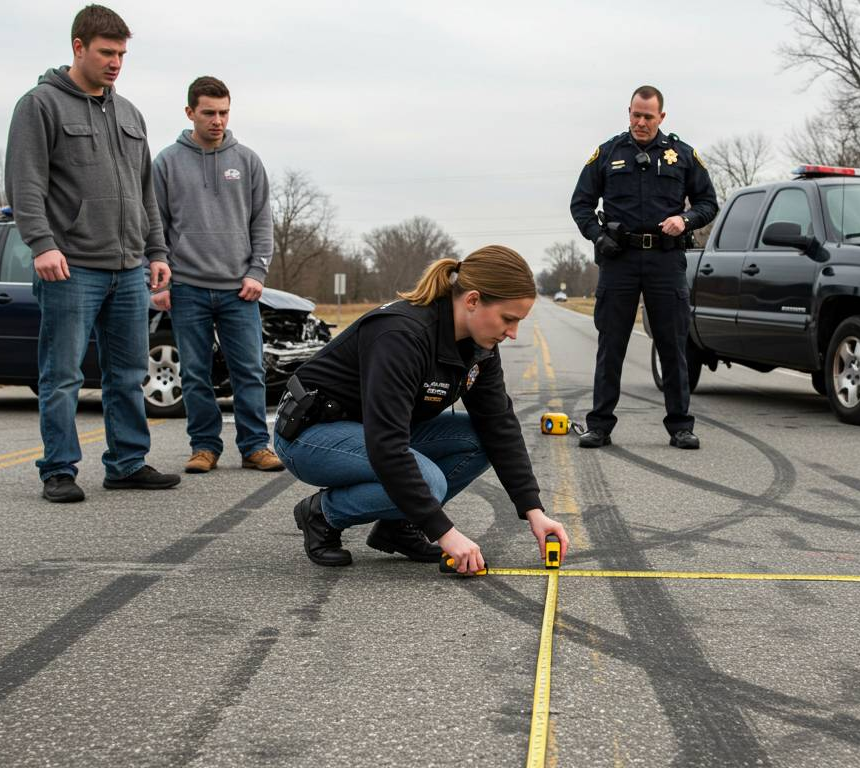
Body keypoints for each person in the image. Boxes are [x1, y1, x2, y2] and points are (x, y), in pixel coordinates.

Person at [274, 246, 570, 573]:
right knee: (429, 482)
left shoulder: (480, 346)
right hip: (310, 436)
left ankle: (399, 527)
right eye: (508, 319)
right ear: (472, 300)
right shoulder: (400, 335)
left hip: (372, 432)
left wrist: (534, 511)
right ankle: (321, 514)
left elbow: (499, 425)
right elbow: (387, 446)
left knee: (479, 439)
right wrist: (444, 532)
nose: (512, 333)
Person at [5, 4, 180, 503]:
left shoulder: (130, 114)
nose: (115, 63)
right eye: (106, 52)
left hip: (128, 268)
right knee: (63, 375)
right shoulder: (40, 105)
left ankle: (127, 463)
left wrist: (156, 250)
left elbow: (145, 192)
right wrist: (41, 244)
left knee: (128, 375)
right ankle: (58, 469)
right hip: (71, 267)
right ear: (78, 47)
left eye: (122, 54)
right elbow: (25, 183)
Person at [569, 85, 719, 450]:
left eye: (648, 117)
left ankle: (680, 426)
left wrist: (685, 220)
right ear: (629, 112)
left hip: (665, 260)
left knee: (673, 344)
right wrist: (598, 237)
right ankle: (600, 426)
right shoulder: (608, 153)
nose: (640, 122)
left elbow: (708, 203)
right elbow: (581, 204)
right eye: (636, 115)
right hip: (619, 259)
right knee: (611, 345)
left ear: (661, 117)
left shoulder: (682, 155)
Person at [151, 76, 283, 475]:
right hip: (187, 287)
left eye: (224, 112)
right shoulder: (167, 162)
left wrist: (257, 271)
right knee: (195, 373)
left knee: (250, 371)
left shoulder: (247, 161)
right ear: (190, 112)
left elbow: (262, 221)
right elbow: (154, 225)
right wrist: (158, 281)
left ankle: (255, 446)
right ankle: (204, 447)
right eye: (209, 112)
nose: (218, 120)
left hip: (239, 289)